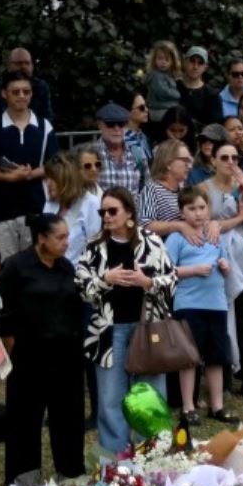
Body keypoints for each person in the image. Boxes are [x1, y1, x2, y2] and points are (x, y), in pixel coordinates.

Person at [76, 187, 174, 458]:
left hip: (147, 329)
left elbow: (171, 280)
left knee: (149, 397)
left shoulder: (152, 241)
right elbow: (81, 287)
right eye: (102, 211)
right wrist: (104, 280)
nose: (106, 216)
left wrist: (148, 283)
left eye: (112, 210)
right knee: (110, 400)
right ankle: (115, 466)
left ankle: (152, 460)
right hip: (108, 333)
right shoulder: (95, 247)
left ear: (129, 212)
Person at [0, 214, 85, 485]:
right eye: (60, 237)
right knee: (25, 421)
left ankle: (70, 474)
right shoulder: (15, 267)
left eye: (67, 236)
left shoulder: (66, 268)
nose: (66, 243)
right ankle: (24, 481)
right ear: (41, 238)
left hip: (66, 355)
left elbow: (75, 307)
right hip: (28, 357)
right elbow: (4, 312)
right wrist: (13, 347)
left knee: (68, 418)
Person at [164, 186, 242, 426]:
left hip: (216, 305)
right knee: (189, 358)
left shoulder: (214, 235)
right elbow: (166, 270)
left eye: (202, 208)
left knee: (216, 357)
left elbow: (224, 261)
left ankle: (217, 406)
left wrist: (224, 265)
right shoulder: (176, 238)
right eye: (191, 209)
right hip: (188, 305)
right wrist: (193, 270)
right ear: (181, 212)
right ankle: (188, 406)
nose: (197, 213)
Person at [205, 139, 243, 397]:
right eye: (224, 158)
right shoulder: (203, 189)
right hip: (218, 253)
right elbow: (208, 226)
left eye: (235, 158)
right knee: (221, 314)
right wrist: (236, 219)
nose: (231, 163)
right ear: (213, 161)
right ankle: (224, 378)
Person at [42, 154, 100, 265]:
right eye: (46, 178)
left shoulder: (91, 203)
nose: (48, 183)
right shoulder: (50, 203)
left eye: (53, 178)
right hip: (48, 270)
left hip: (77, 273)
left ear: (67, 180)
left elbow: (94, 247)